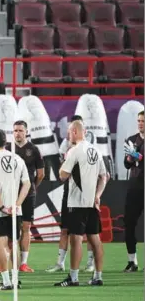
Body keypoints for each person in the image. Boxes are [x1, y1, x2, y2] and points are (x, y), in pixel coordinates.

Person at [54, 120, 108, 287]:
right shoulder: (95, 150)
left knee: (76, 239)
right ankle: (98, 276)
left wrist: (62, 164)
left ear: (75, 132)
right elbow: (104, 176)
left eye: (70, 132)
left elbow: (63, 175)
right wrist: (97, 195)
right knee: (94, 239)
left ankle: (74, 277)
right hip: (91, 203)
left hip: (76, 202)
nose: (68, 135)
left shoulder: (74, 151)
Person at [46, 115, 96, 273]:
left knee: (88, 232)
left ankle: (90, 263)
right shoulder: (66, 145)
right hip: (69, 191)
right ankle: (60, 263)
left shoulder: (88, 145)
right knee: (65, 229)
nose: (69, 135)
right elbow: (63, 168)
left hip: (86, 193)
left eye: (71, 131)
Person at [0, 129, 31, 290]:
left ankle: (6, 281)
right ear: (6, 142)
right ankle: (16, 280)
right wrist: (17, 204)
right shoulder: (18, 158)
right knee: (13, 244)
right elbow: (27, 184)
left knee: (0, 242)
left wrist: (2, 206)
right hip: (16, 210)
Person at [9, 120, 44, 273]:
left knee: (25, 227)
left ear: (26, 132)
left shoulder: (34, 149)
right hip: (10, 193)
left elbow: (41, 173)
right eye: (15, 130)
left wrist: (31, 187)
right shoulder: (7, 148)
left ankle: (23, 263)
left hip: (28, 194)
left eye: (20, 130)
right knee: (9, 229)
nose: (18, 133)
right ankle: (8, 263)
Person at [122, 110, 144, 272]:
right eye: (139, 121)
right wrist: (130, 158)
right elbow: (126, 164)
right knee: (129, 223)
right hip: (135, 187)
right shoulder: (131, 140)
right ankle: (132, 261)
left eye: (143, 121)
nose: (140, 123)